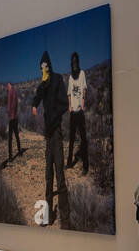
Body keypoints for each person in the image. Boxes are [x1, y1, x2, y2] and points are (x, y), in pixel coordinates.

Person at [30, 50, 69, 227]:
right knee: (48, 175)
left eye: (44, 66)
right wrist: (33, 104)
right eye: (40, 67)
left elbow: (63, 104)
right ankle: (47, 216)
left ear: (49, 64)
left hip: (56, 133)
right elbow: (38, 94)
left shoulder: (58, 80)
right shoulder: (44, 84)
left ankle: (65, 219)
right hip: (48, 135)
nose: (42, 69)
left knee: (59, 174)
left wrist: (53, 120)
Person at [66, 51, 89, 172]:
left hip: (80, 111)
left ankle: (86, 166)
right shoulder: (70, 77)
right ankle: (69, 162)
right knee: (71, 138)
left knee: (83, 138)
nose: (74, 64)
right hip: (73, 112)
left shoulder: (82, 74)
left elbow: (84, 89)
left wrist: (83, 103)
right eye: (72, 62)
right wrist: (69, 106)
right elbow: (69, 93)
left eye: (76, 62)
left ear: (77, 62)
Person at [5, 81, 22, 161]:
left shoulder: (12, 92)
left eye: (7, 85)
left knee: (10, 138)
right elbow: (12, 105)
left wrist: (10, 114)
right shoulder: (12, 92)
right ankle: (19, 152)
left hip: (12, 118)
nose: (7, 87)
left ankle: (10, 156)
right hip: (13, 117)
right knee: (16, 135)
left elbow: (13, 105)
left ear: (10, 85)